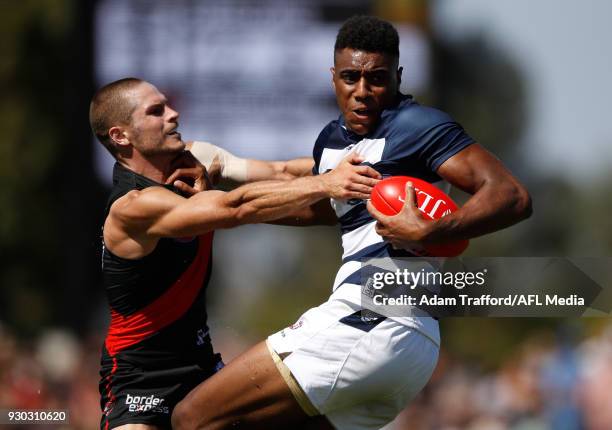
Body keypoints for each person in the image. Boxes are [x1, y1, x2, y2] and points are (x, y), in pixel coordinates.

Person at [172, 15, 532, 430]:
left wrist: (433, 231)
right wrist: (225, 181)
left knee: (192, 417)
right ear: (332, 77)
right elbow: (317, 205)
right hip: (411, 346)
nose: (362, 92)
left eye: (376, 79)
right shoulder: (332, 141)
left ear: (398, 76)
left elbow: (512, 195)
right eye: (350, 77)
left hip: (373, 316)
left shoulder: (418, 126)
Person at [90, 77, 381, 430]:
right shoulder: (132, 207)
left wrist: (381, 158)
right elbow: (235, 208)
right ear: (121, 136)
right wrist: (326, 184)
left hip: (201, 367)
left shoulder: (197, 157)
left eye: (168, 105)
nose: (174, 114)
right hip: (139, 381)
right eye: (156, 111)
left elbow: (282, 171)